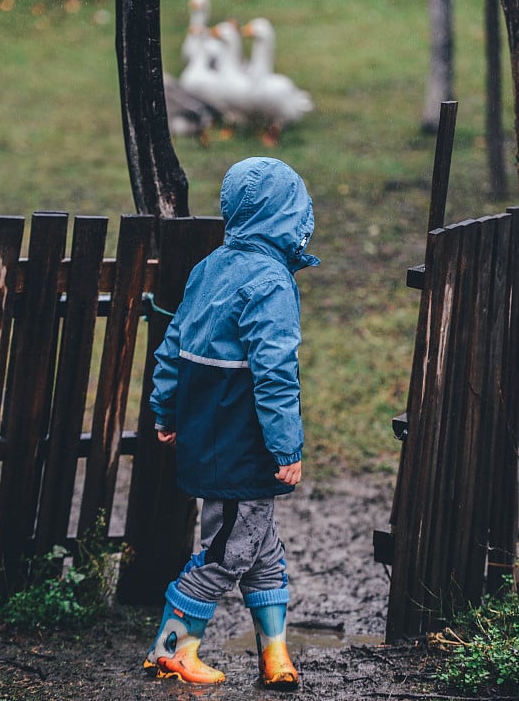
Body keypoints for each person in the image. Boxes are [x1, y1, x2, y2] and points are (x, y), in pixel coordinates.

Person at [144, 156, 319, 688]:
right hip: (243, 443)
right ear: (287, 217)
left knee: (262, 551)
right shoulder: (270, 282)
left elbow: (172, 347)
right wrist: (286, 447)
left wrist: (165, 409)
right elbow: (274, 374)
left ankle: (275, 657)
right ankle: (172, 647)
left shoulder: (211, 266)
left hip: (208, 434)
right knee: (227, 552)